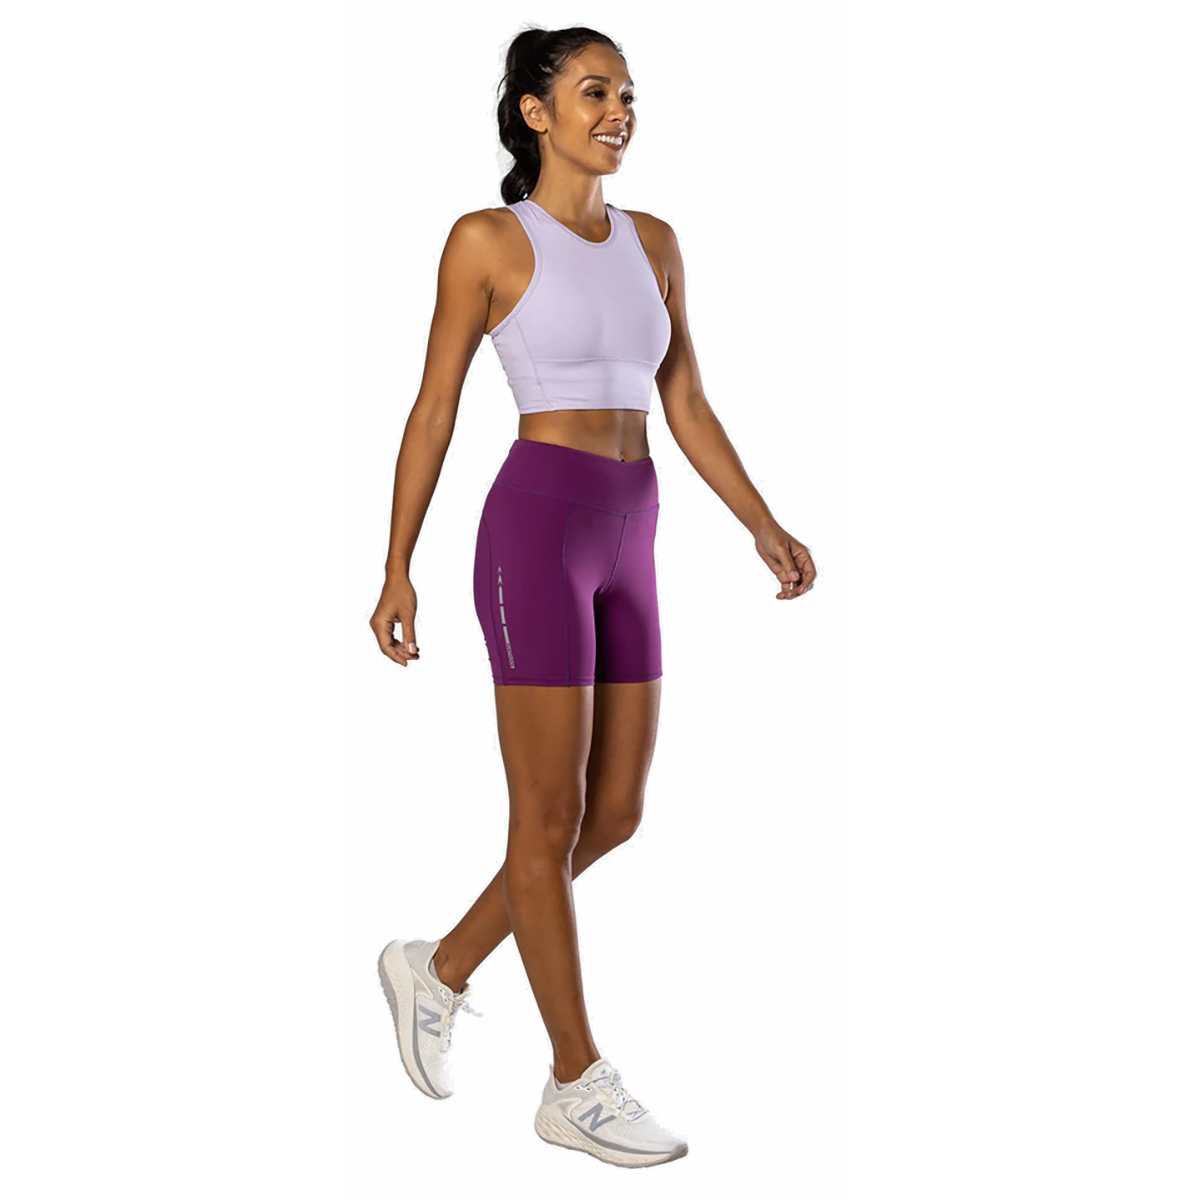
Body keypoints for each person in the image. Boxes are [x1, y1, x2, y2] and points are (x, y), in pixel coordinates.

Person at [369, 25, 816, 1169]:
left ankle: (439, 966)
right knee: (545, 819)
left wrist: (761, 521)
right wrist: (397, 563)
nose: (618, 110)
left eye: (627, 94)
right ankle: (575, 1079)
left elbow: (687, 400)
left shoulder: (654, 241)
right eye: (593, 91)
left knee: (613, 813)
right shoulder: (487, 240)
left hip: (633, 526)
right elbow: (434, 408)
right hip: (538, 528)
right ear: (535, 112)